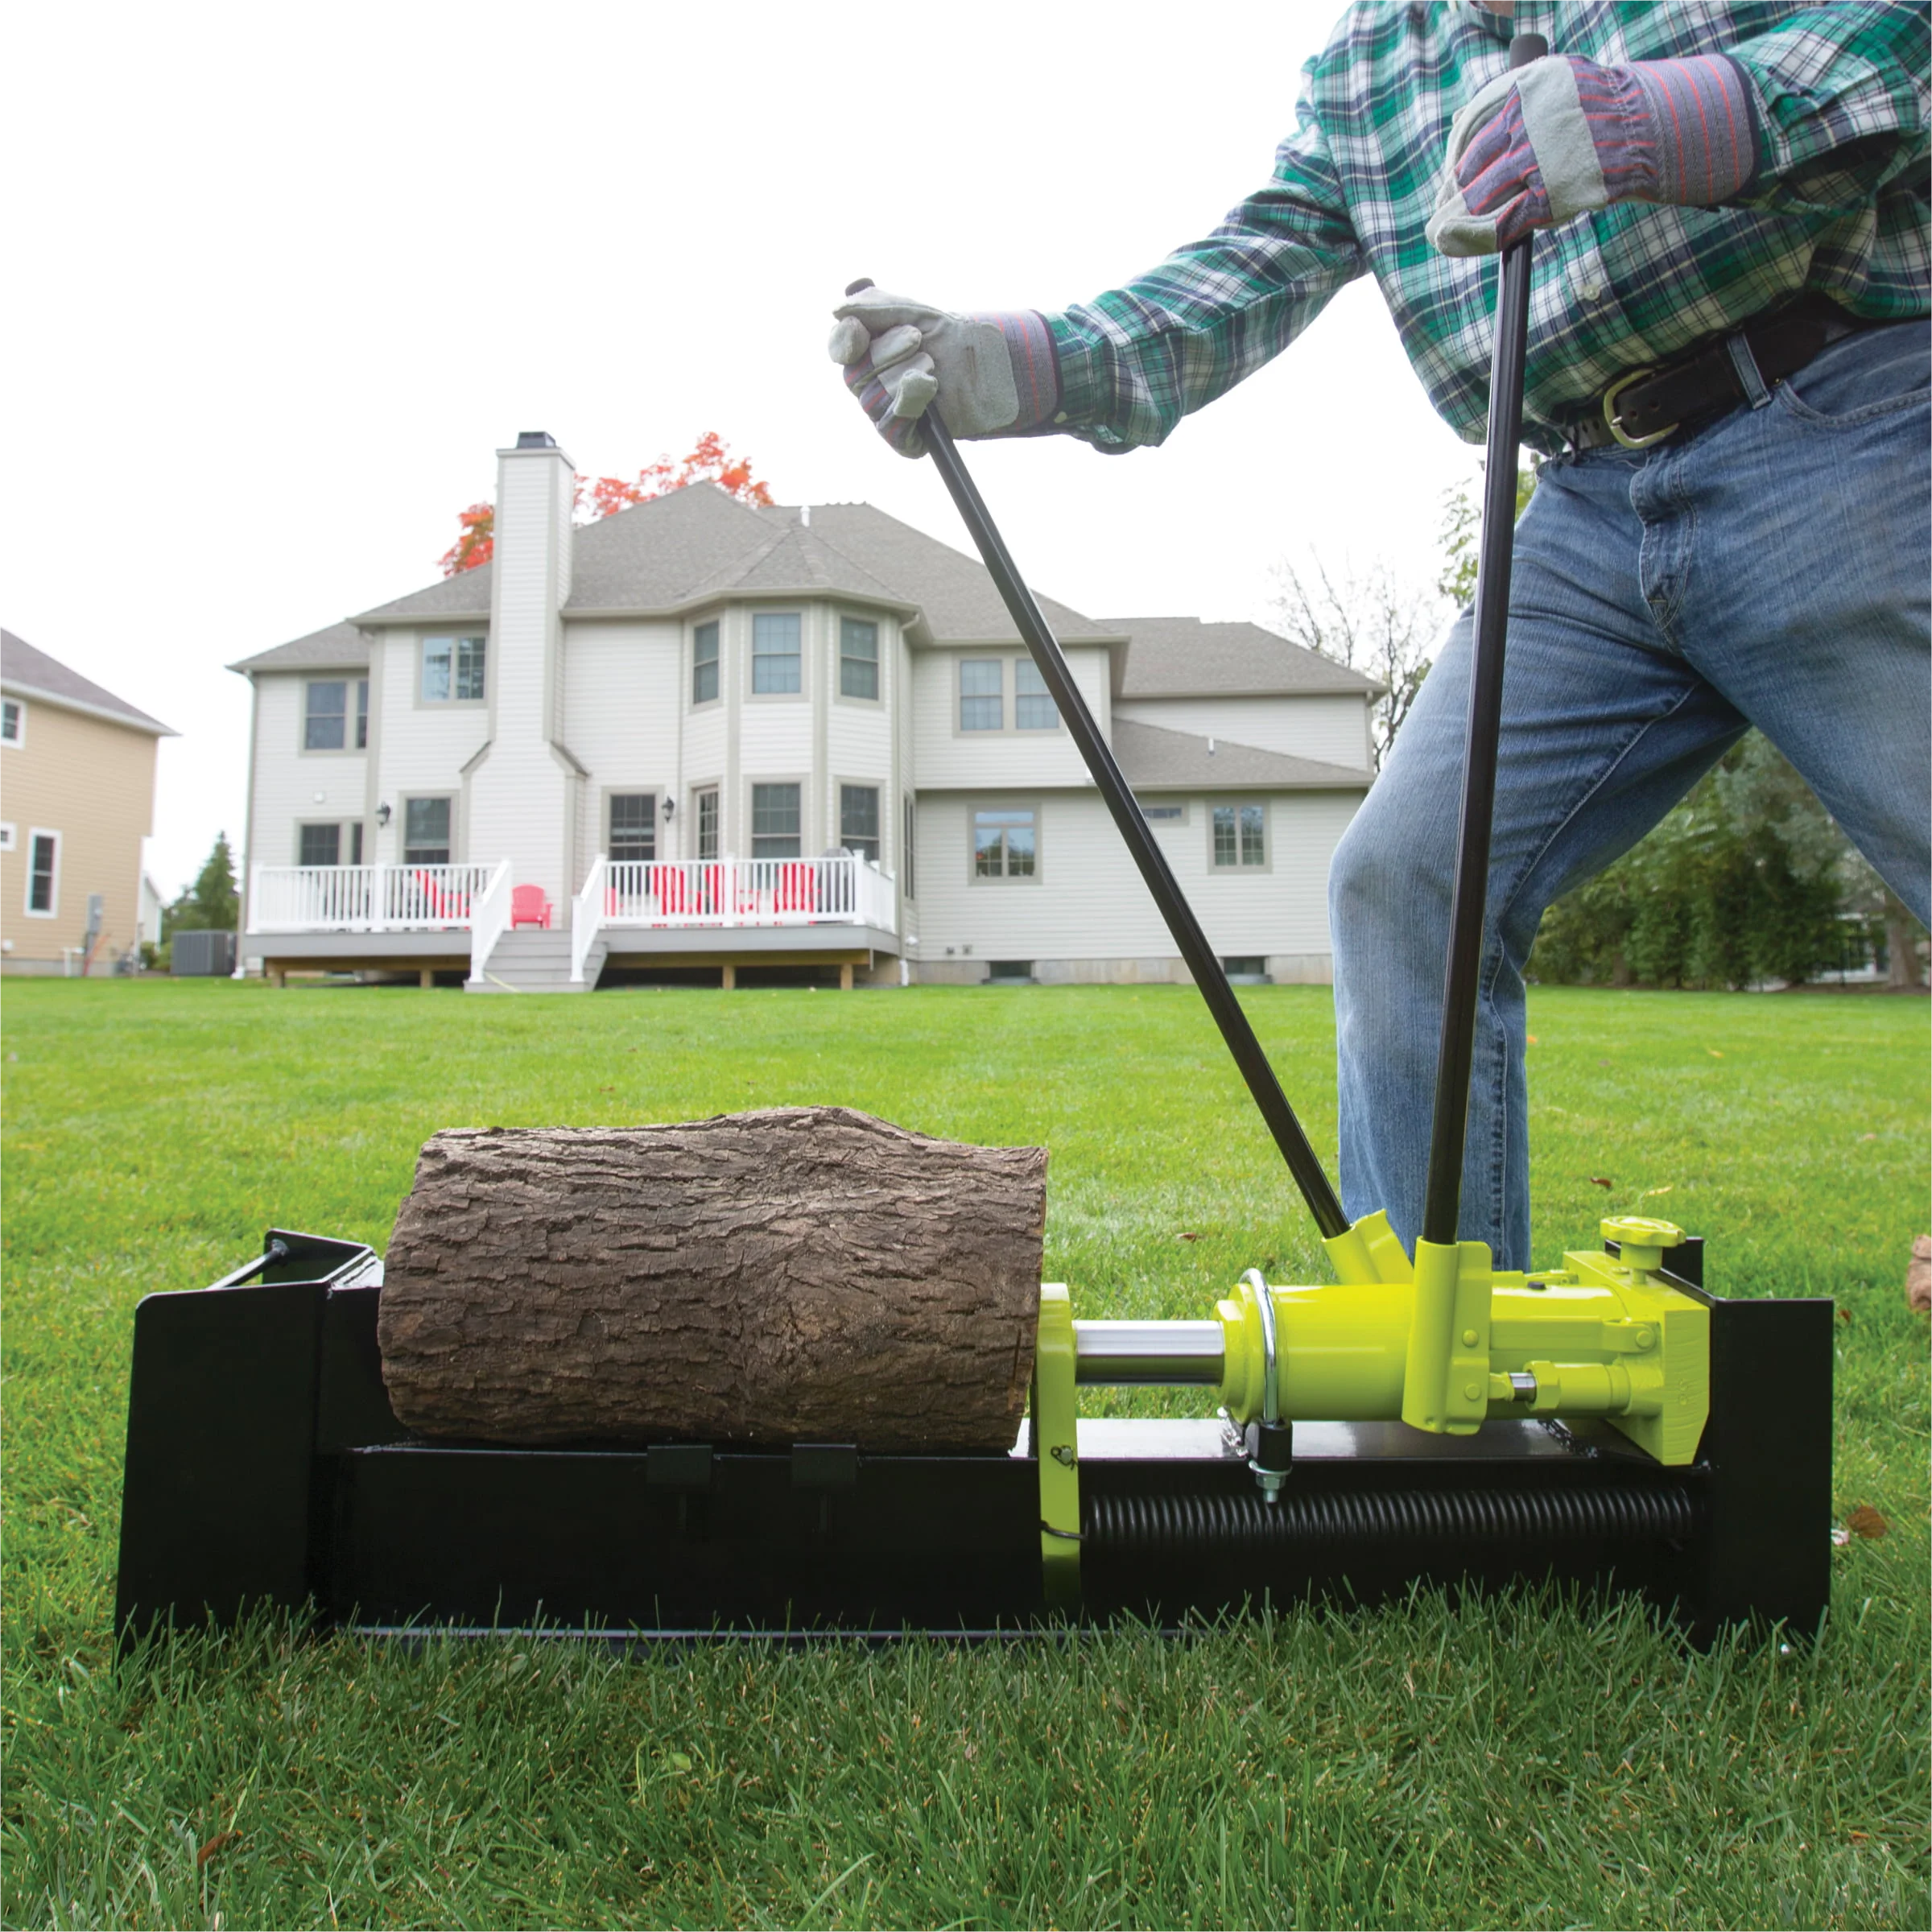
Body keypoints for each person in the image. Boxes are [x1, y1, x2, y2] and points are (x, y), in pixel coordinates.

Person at [828, 1, 1932, 1269]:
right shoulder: (1369, 63)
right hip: (1579, 498)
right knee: (1405, 880)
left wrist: (1667, 119)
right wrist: (1011, 363)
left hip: (1845, 413)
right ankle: (1433, 1360)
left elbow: (1901, 37)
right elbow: (1244, 272)